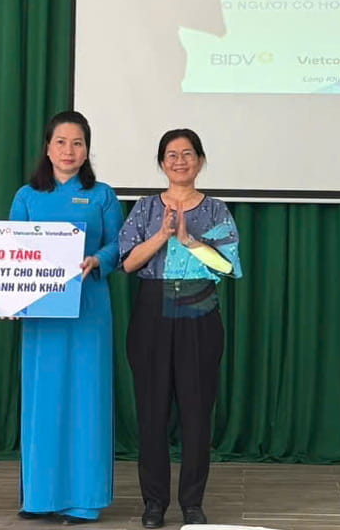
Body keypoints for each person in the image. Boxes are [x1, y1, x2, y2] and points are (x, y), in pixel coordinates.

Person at [118, 129, 242, 529]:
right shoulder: (145, 208)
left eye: (188, 154)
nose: (180, 161)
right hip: (152, 309)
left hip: (199, 307)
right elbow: (128, 262)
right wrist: (163, 234)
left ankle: (192, 503)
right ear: (162, 163)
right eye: (172, 155)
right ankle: (154, 503)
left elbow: (227, 266)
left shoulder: (216, 210)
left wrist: (188, 241)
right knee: (151, 412)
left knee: (196, 412)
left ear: (200, 161)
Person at [10, 110, 123, 525]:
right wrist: (9, 299)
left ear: (87, 150)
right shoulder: (26, 196)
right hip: (42, 312)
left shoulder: (102, 195)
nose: (69, 150)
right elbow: (12, 251)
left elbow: (119, 246)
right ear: (47, 147)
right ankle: (39, 497)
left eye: (78, 143)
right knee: (43, 398)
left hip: (89, 309)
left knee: (87, 398)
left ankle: (83, 500)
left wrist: (98, 260)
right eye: (61, 142)